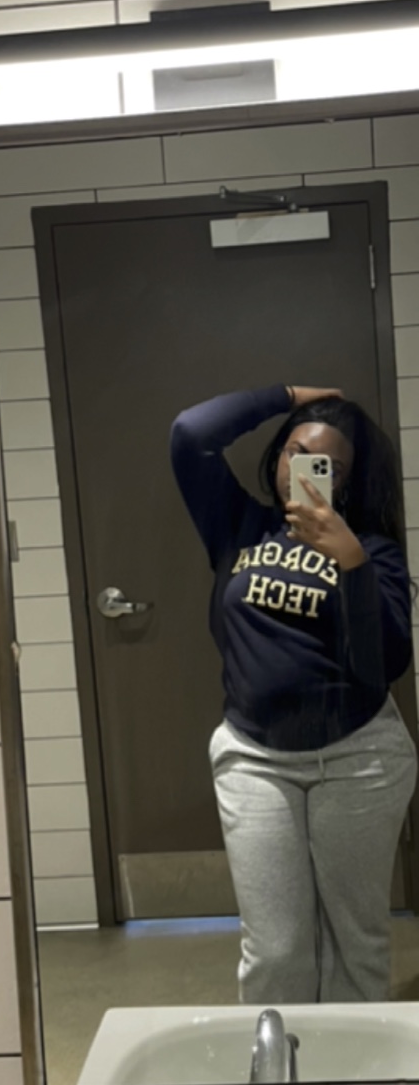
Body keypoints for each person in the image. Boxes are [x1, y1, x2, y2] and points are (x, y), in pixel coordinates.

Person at [169, 383, 418, 1004]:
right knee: (276, 950)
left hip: (359, 759)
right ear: (278, 454)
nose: (303, 471)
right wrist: (284, 395)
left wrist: (352, 563)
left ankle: (355, 1066)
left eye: (327, 466)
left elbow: (385, 663)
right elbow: (191, 434)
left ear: (346, 483)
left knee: (354, 945)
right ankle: (279, 1065)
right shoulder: (239, 525)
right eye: (296, 453)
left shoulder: (374, 553)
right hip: (255, 759)